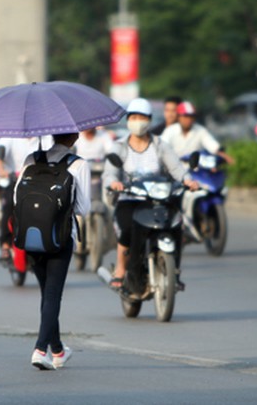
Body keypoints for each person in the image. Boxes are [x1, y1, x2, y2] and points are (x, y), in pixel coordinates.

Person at [103, 98, 199, 292]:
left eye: (142, 117)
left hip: (157, 200)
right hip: (130, 198)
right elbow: (110, 173)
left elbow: (176, 169)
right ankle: (121, 268)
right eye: (134, 117)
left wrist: (187, 180)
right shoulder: (119, 146)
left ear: (149, 120)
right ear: (128, 120)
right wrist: (114, 183)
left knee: (176, 225)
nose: (138, 122)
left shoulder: (160, 145)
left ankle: (175, 271)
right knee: (127, 229)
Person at [18, 133, 90, 370]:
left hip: (31, 236)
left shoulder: (32, 159)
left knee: (47, 294)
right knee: (52, 294)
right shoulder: (78, 165)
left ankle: (57, 350)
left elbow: (18, 199)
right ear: (75, 137)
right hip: (60, 237)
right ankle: (40, 350)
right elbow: (83, 209)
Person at [0, 136, 53, 260]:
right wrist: (1, 170)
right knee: (8, 205)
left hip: (38, 181)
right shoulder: (10, 136)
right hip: (14, 180)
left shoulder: (45, 138)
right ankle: (5, 244)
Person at [161, 101, 235, 165]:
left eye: (191, 116)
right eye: (186, 116)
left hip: (197, 170)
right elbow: (161, 148)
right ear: (179, 117)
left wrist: (226, 157)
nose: (188, 119)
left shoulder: (200, 130)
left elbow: (212, 145)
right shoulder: (170, 131)